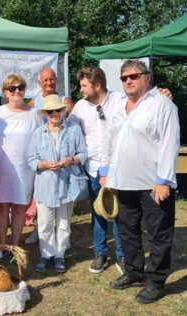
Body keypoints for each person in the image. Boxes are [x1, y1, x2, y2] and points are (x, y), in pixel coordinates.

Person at [104, 59, 180, 304]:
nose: (128, 81)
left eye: (133, 76)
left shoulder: (162, 105)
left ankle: (156, 281)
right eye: (124, 78)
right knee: (127, 232)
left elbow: (170, 144)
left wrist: (163, 181)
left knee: (159, 234)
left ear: (148, 77)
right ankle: (134, 272)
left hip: (152, 183)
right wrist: (107, 171)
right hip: (124, 181)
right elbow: (110, 139)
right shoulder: (118, 105)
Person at [67, 67, 125, 275]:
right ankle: (100, 253)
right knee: (98, 211)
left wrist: (161, 94)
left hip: (118, 169)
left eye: (84, 85)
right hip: (92, 169)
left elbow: (143, 108)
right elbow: (67, 131)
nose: (80, 89)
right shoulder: (81, 107)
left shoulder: (119, 101)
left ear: (97, 85)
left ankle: (122, 255)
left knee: (119, 212)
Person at [27, 95, 87, 273]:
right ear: (45, 113)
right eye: (50, 111)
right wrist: (44, 164)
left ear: (63, 111)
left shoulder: (74, 129)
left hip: (66, 185)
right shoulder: (38, 133)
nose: (54, 113)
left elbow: (83, 154)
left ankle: (60, 255)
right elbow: (31, 159)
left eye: (57, 110)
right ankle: (46, 255)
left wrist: (71, 159)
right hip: (44, 186)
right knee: (44, 223)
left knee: (63, 223)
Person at [0, 74, 43, 254]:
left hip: (24, 168)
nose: (17, 91)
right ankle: (3, 245)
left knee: (20, 207)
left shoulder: (34, 113)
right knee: (2, 206)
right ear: (5, 92)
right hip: (2, 167)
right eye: (12, 88)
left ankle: (16, 246)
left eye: (21, 87)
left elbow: (40, 140)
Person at [25, 67, 75, 245]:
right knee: (41, 197)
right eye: (45, 80)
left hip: (61, 156)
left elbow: (75, 125)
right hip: (41, 153)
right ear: (39, 83)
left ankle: (62, 240)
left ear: (57, 81)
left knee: (61, 201)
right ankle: (39, 232)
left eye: (52, 79)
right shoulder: (33, 102)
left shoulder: (65, 101)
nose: (49, 83)